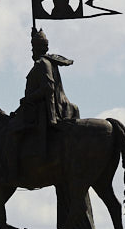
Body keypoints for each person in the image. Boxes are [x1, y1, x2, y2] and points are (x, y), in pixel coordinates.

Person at [8, 27, 80, 181]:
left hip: (43, 109)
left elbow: (48, 87)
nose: (31, 51)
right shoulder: (46, 62)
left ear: (38, 48)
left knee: (13, 131)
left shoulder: (43, 63)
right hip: (39, 106)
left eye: (33, 47)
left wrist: (29, 99)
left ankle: (14, 172)